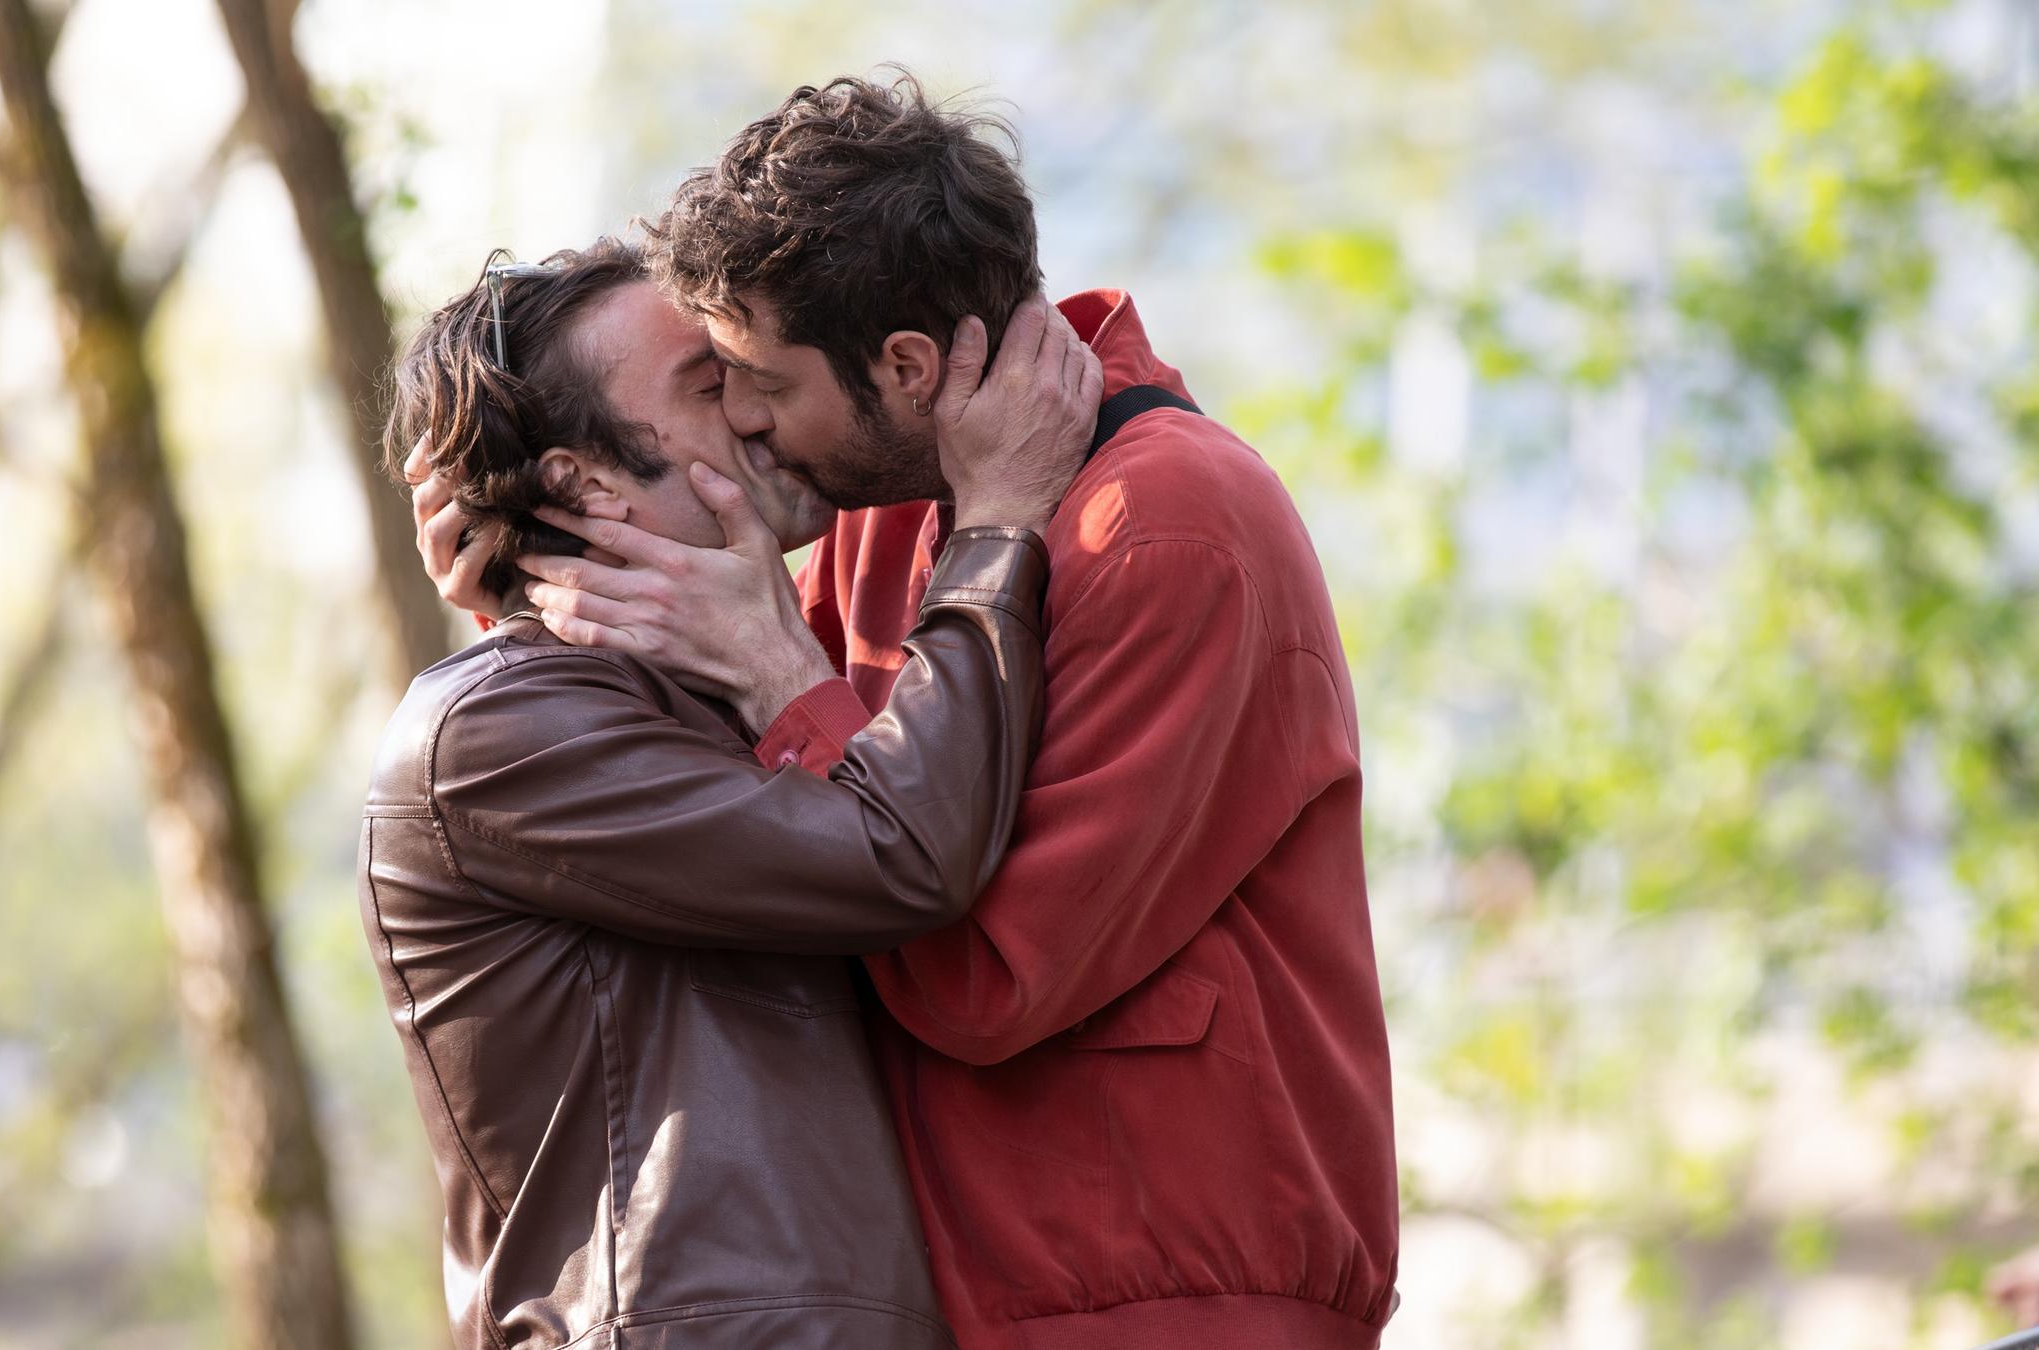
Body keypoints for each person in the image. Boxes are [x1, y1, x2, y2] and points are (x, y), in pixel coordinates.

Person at [423, 73, 1402, 1349]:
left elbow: (981, 973)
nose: (751, 428)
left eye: (758, 381)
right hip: (985, 1291)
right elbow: (761, 802)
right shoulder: (886, 509)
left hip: (1162, 1300)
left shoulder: (1168, 526)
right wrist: (540, 559)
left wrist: (788, 671)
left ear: (905, 366)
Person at [363, 235, 1102, 1348]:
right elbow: (902, 851)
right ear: (584, 480)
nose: (760, 413)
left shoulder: (664, 695)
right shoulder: (499, 726)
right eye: (713, 386)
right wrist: (998, 527)